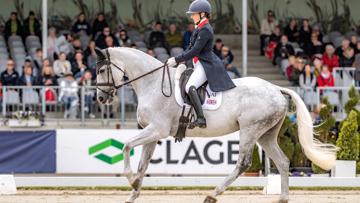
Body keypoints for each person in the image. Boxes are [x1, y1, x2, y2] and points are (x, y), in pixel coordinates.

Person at [166, 0, 236, 129]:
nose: (191, 16)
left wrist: (176, 59)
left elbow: (194, 51)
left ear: (202, 14)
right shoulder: (199, 28)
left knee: (189, 86)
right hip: (197, 63)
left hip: (206, 64)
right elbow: (190, 48)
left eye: (194, 14)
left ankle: (201, 118)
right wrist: (180, 59)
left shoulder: (206, 30)